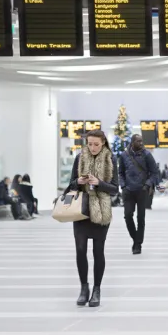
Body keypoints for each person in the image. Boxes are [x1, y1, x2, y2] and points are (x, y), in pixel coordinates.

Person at [68, 129, 119, 308]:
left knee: (98, 251)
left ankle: (97, 289)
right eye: (89, 144)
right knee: (81, 250)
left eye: (96, 144)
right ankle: (84, 288)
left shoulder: (110, 160)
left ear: (103, 142)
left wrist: (99, 183)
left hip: (101, 211)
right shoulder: (79, 158)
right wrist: (78, 182)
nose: (93, 147)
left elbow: (115, 189)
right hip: (81, 210)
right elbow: (70, 185)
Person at [117, 134, 158, 254]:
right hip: (128, 191)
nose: (141, 143)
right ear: (132, 142)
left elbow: (154, 173)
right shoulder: (124, 155)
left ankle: (137, 245)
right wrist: (123, 186)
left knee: (141, 218)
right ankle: (136, 239)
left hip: (142, 191)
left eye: (142, 141)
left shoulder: (147, 155)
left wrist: (147, 185)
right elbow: (120, 173)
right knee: (128, 216)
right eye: (138, 141)